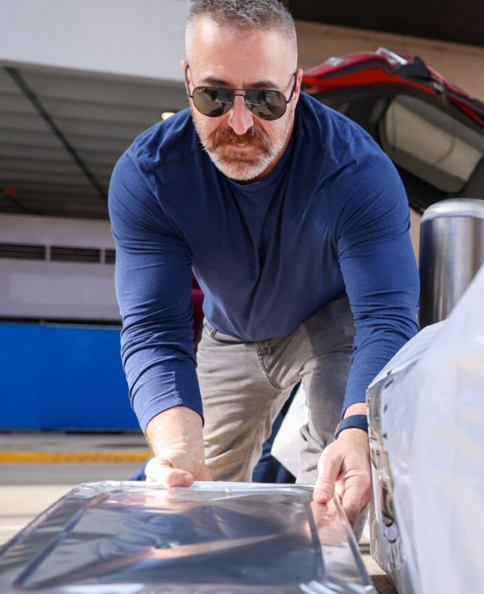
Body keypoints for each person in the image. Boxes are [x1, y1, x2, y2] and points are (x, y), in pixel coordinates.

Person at [108, 0, 419, 526]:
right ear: (187, 81)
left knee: (343, 464)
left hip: (329, 324)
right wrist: (177, 444)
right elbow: (154, 329)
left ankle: (336, 561)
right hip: (229, 336)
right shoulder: (150, 177)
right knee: (189, 487)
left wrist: (360, 429)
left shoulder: (357, 173)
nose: (240, 122)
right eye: (214, 95)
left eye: (266, 99)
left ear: (296, 87)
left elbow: (386, 319)